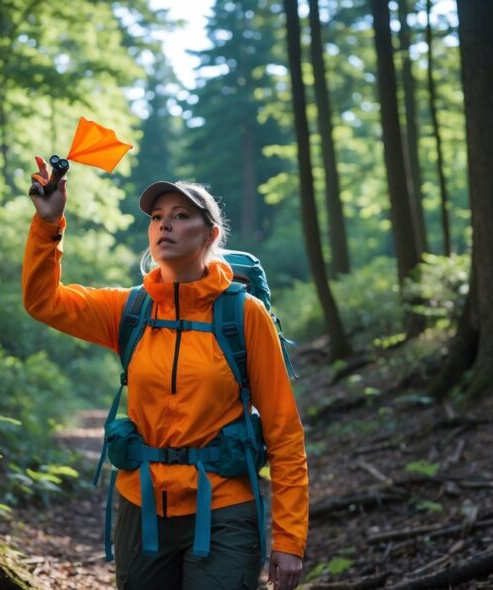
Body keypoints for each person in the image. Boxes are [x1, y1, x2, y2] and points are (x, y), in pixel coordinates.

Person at [22, 156, 308, 590]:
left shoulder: (243, 315)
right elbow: (43, 301)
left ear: (210, 234)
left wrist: (289, 539)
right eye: (157, 218)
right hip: (142, 505)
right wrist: (50, 223)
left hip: (225, 508)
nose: (164, 226)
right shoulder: (129, 309)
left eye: (180, 216)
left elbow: (284, 431)